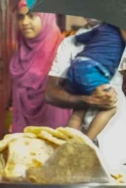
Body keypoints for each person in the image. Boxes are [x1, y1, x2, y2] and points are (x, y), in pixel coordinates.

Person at [45, 23, 126, 167]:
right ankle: (81, 144)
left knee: (78, 113)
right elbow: (50, 94)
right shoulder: (69, 43)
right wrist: (87, 100)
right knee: (107, 107)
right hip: (84, 155)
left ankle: (75, 144)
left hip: (119, 147)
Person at [9, 1, 71, 133]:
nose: (24, 22)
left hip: (55, 128)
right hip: (25, 131)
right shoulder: (20, 53)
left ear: (46, 17)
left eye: (31, 16)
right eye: (21, 17)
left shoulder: (63, 50)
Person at [61, 23, 126, 140]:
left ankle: (68, 141)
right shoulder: (122, 35)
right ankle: (87, 141)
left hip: (76, 66)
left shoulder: (103, 27)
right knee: (110, 106)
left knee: (79, 110)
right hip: (93, 71)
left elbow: (80, 38)